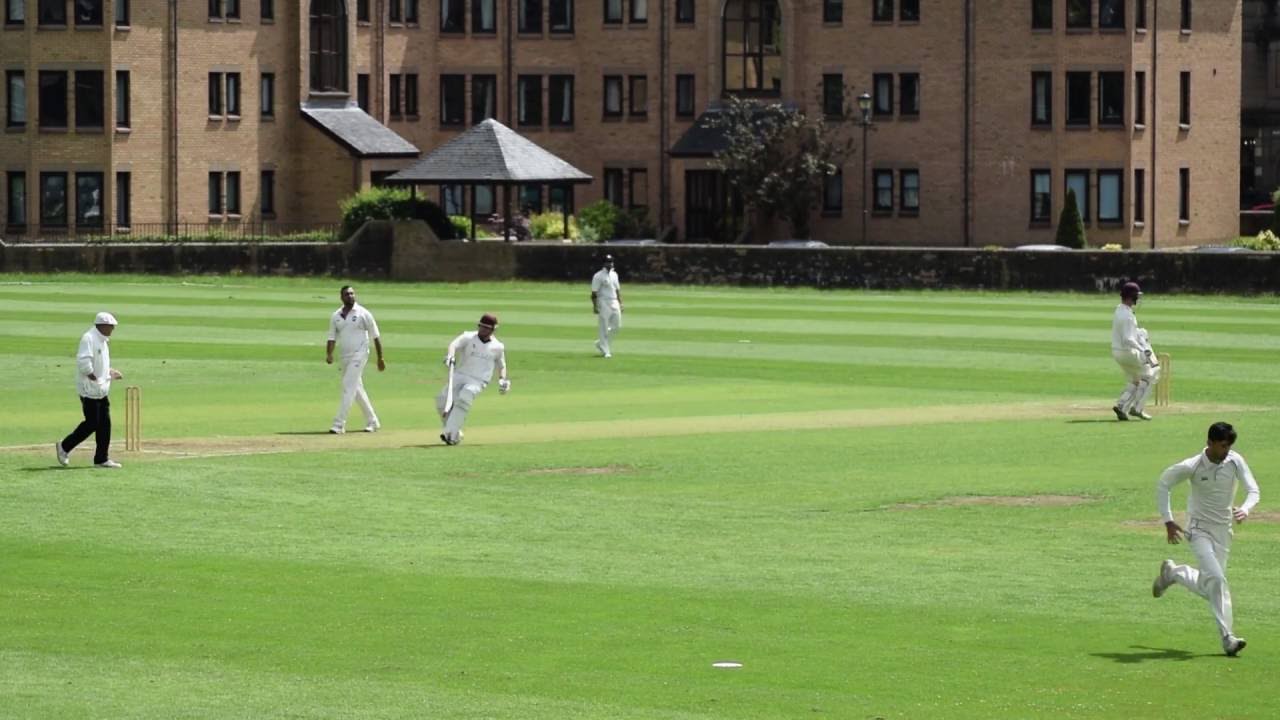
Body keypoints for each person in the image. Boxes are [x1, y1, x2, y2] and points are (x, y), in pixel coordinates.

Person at [1151, 422, 1261, 657]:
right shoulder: (1193, 465)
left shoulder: (1234, 460)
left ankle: (1174, 574)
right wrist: (1168, 521)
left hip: (1224, 530)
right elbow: (1164, 483)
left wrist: (1246, 508)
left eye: (1229, 445)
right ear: (1210, 443)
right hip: (1197, 529)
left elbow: (1253, 490)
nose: (1227, 450)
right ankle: (1227, 637)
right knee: (1218, 579)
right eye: (1223, 445)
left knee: (1210, 583)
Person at [56, 312, 124, 469]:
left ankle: (101, 458)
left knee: (105, 424)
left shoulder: (103, 341)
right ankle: (64, 447)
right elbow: (83, 361)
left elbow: (102, 364)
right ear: (102, 325)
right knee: (92, 423)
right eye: (111, 327)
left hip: (101, 389)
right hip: (89, 389)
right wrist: (93, 377)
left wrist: (110, 373)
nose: (112, 329)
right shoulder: (88, 338)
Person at [436, 313, 509, 445]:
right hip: (460, 374)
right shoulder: (468, 336)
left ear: (493, 329)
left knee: (465, 396)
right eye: (481, 326)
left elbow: (502, 365)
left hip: (478, 380)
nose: (483, 330)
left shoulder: (498, 347)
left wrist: (503, 379)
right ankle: (455, 432)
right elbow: (454, 345)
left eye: (487, 328)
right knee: (442, 401)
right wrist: (450, 356)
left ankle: (450, 435)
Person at [325, 285, 385, 434]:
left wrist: (380, 358)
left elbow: (376, 337)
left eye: (352, 293)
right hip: (344, 356)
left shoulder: (364, 313)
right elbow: (331, 337)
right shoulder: (336, 316)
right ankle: (372, 421)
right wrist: (329, 354)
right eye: (347, 294)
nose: (350, 296)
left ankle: (339, 424)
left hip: (360, 353)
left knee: (347, 386)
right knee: (356, 389)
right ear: (341, 297)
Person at [1110, 281, 1153, 421]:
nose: (1138, 299)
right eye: (1136, 296)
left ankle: (1122, 405)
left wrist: (1139, 332)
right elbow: (1128, 339)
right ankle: (1137, 409)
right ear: (1131, 297)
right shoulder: (1128, 316)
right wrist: (1143, 350)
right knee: (1150, 375)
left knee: (1135, 379)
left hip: (1117, 352)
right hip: (1128, 352)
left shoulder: (1119, 309)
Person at [590, 254, 623, 358]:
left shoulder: (615, 274)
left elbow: (617, 290)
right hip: (603, 302)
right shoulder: (598, 276)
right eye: (608, 262)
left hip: (614, 301)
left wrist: (621, 303)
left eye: (611, 261)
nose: (610, 263)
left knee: (617, 326)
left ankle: (600, 343)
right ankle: (606, 350)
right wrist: (595, 306)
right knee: (603, 327)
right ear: (604, 263)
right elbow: (594, 293)